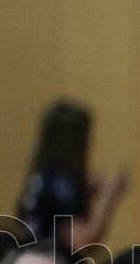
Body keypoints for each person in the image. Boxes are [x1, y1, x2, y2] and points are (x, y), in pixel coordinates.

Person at [16, 100, 128, 249]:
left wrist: (84, 193)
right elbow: (81, 244)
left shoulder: (40, 176)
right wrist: (108, 198)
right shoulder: (64, 182)